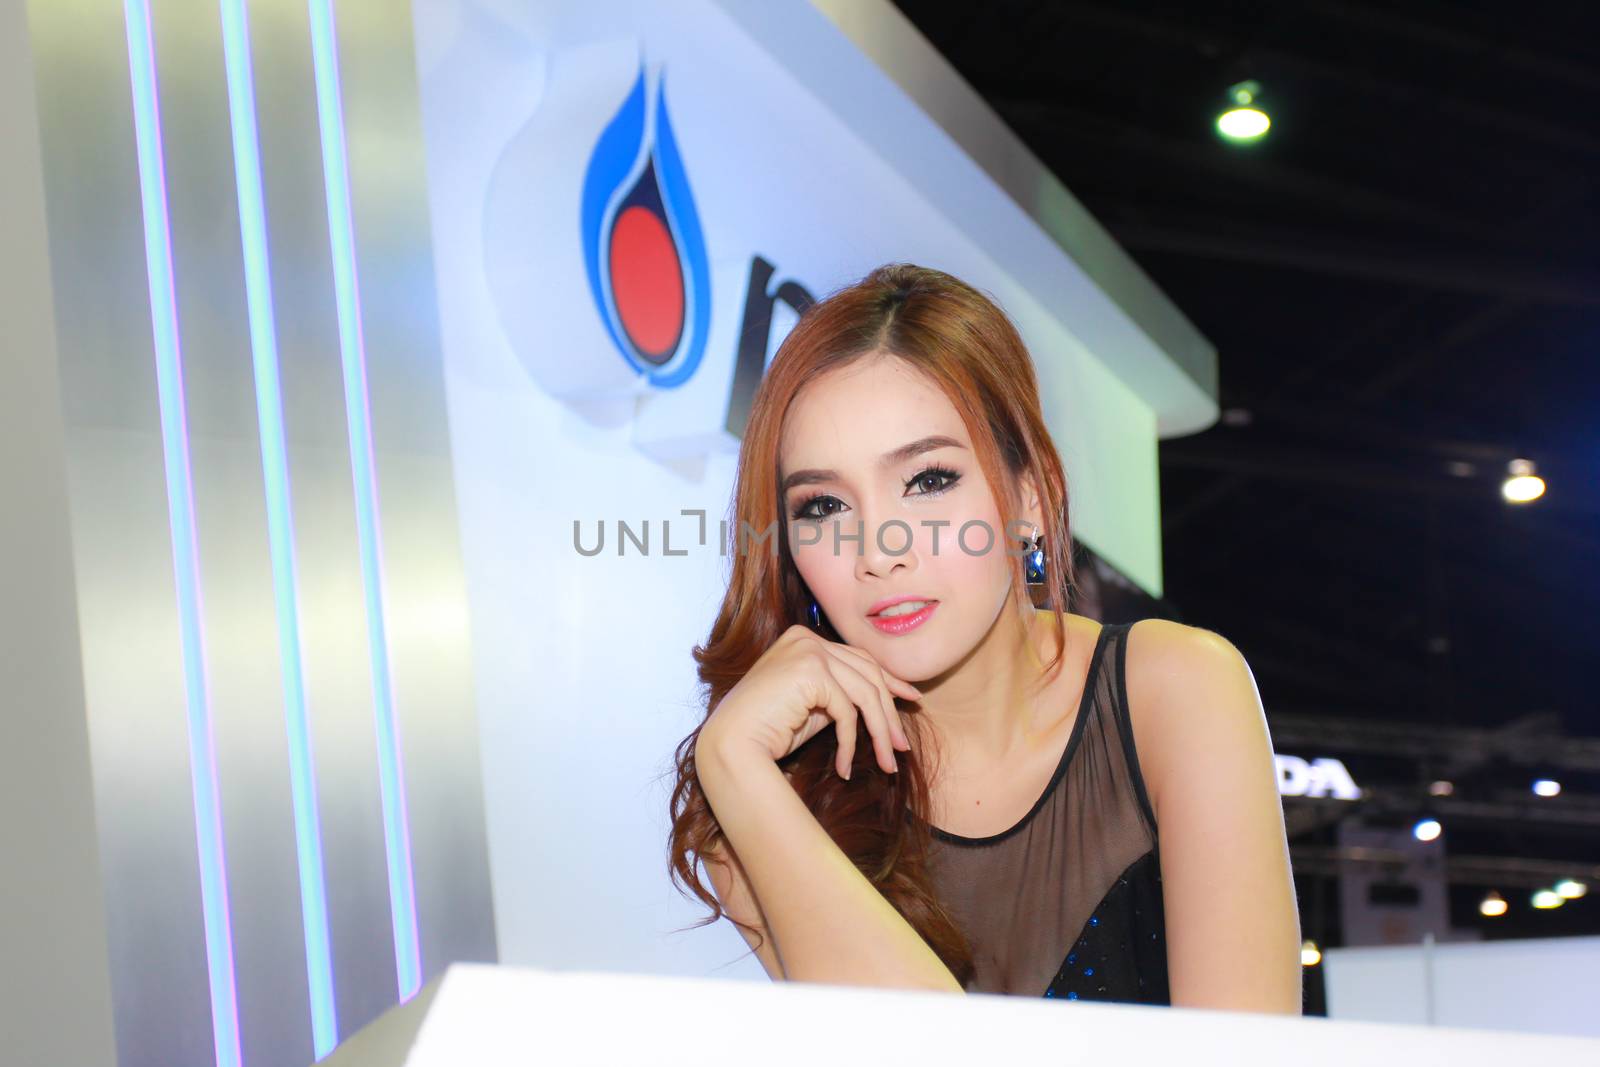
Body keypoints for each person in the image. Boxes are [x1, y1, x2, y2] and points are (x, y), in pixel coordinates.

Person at [666, 263, 1302, 1012]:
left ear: (1028, 498)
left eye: (928, 480)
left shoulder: (1177, 692)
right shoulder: (773, 794)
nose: (877, 550)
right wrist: (731, 762)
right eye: (824, 505)